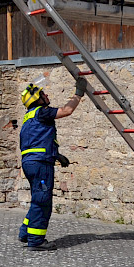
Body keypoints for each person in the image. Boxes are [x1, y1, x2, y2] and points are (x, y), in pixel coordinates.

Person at [17, 76, 84, 250]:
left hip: (31, 163)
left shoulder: (28, 117)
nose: (46, 95)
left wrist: (57, 155)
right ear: (37, 99)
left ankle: (26, 232)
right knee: (42, 200)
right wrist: (78, 94)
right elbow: (66, 111)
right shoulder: (41, 111)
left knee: (37, 198)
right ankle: (36, 241)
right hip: (41, 164)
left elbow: (36, 142)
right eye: (42, 93)